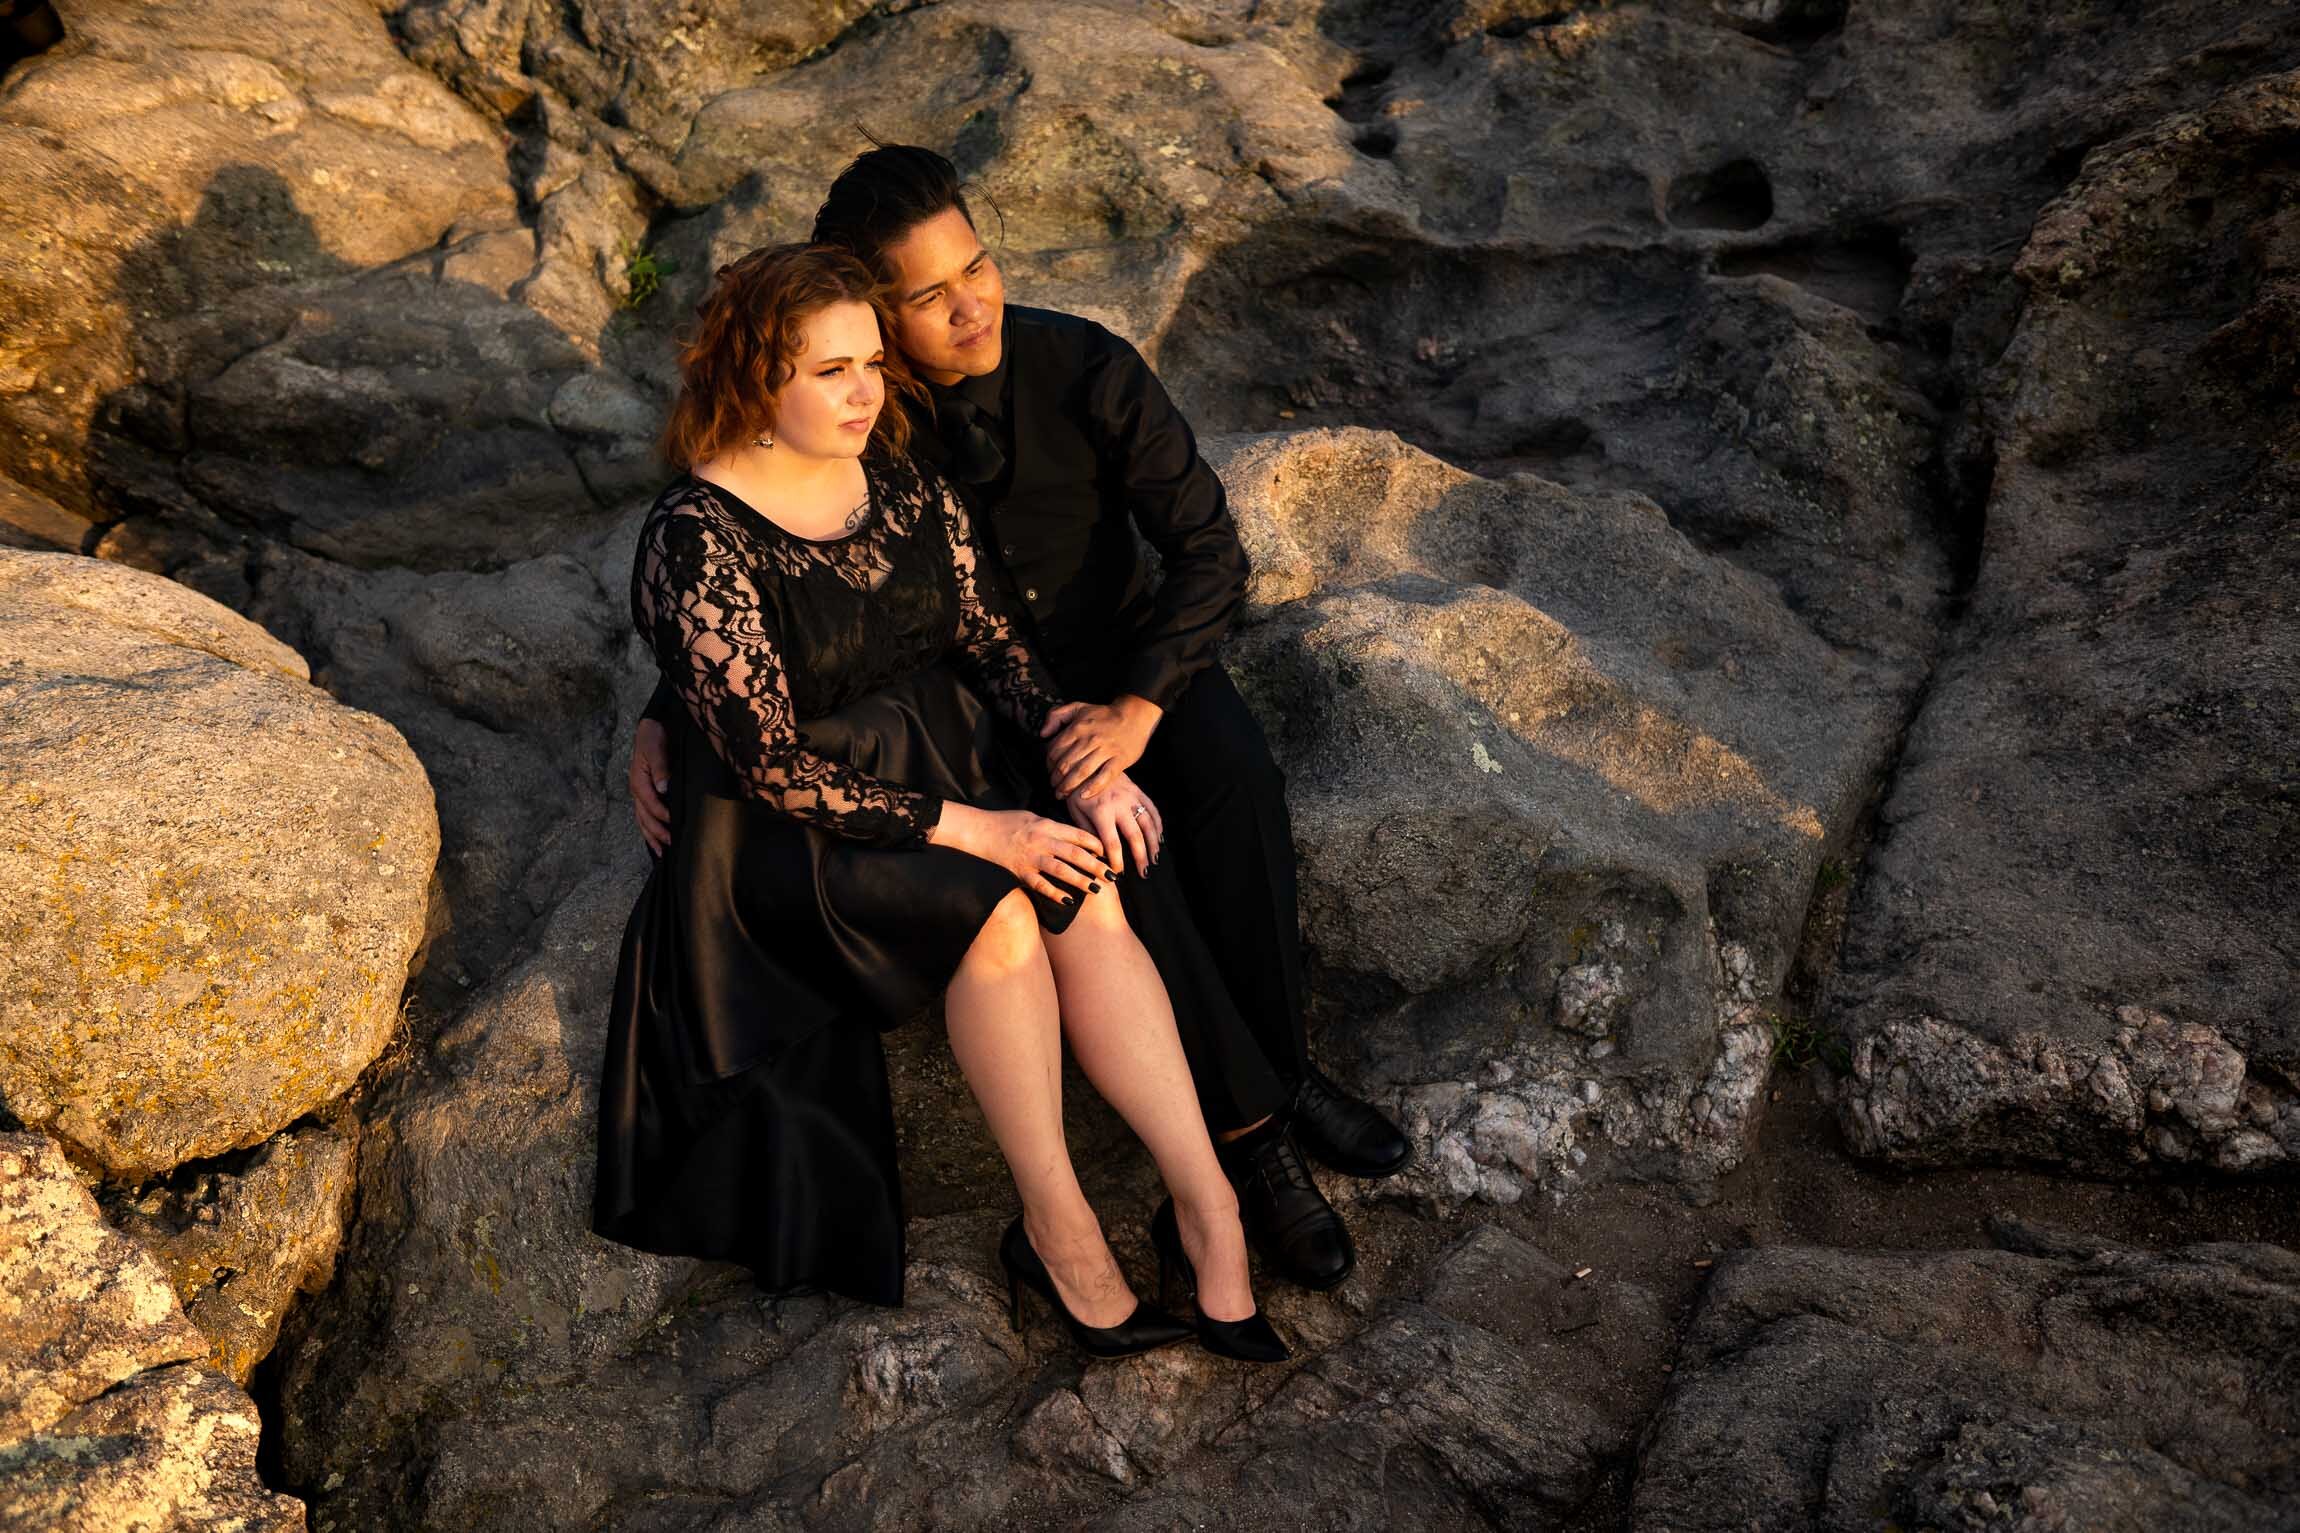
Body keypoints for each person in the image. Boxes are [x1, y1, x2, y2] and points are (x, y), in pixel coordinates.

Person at [629, 146, 1411, 1293]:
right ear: (871, 318)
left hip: (1128, 662)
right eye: (929, 297)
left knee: (1235, 786)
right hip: (983, 700)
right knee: (1110, 862)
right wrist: (672, 704)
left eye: (978, 266)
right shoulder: (860, 422)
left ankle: (1283, 1071)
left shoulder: (1082, 361)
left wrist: (1138, 712)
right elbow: (769, 568)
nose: (972, 304)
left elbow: (1207, 550)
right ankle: (1253, 1148)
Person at [593, 244, 1285, 1363]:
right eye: (830, 370)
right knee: (1002, 908)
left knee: (1086, 890)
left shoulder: (900, 478)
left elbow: (995, 644)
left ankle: (1208, 1205)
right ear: (756, 376)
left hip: (928, 770)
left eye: (869, 362)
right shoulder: (693, 536)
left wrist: (1083, 765)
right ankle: (1057, 1230)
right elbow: (771, 765)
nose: (866, 389)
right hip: (783, 835)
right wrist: (985, 830)